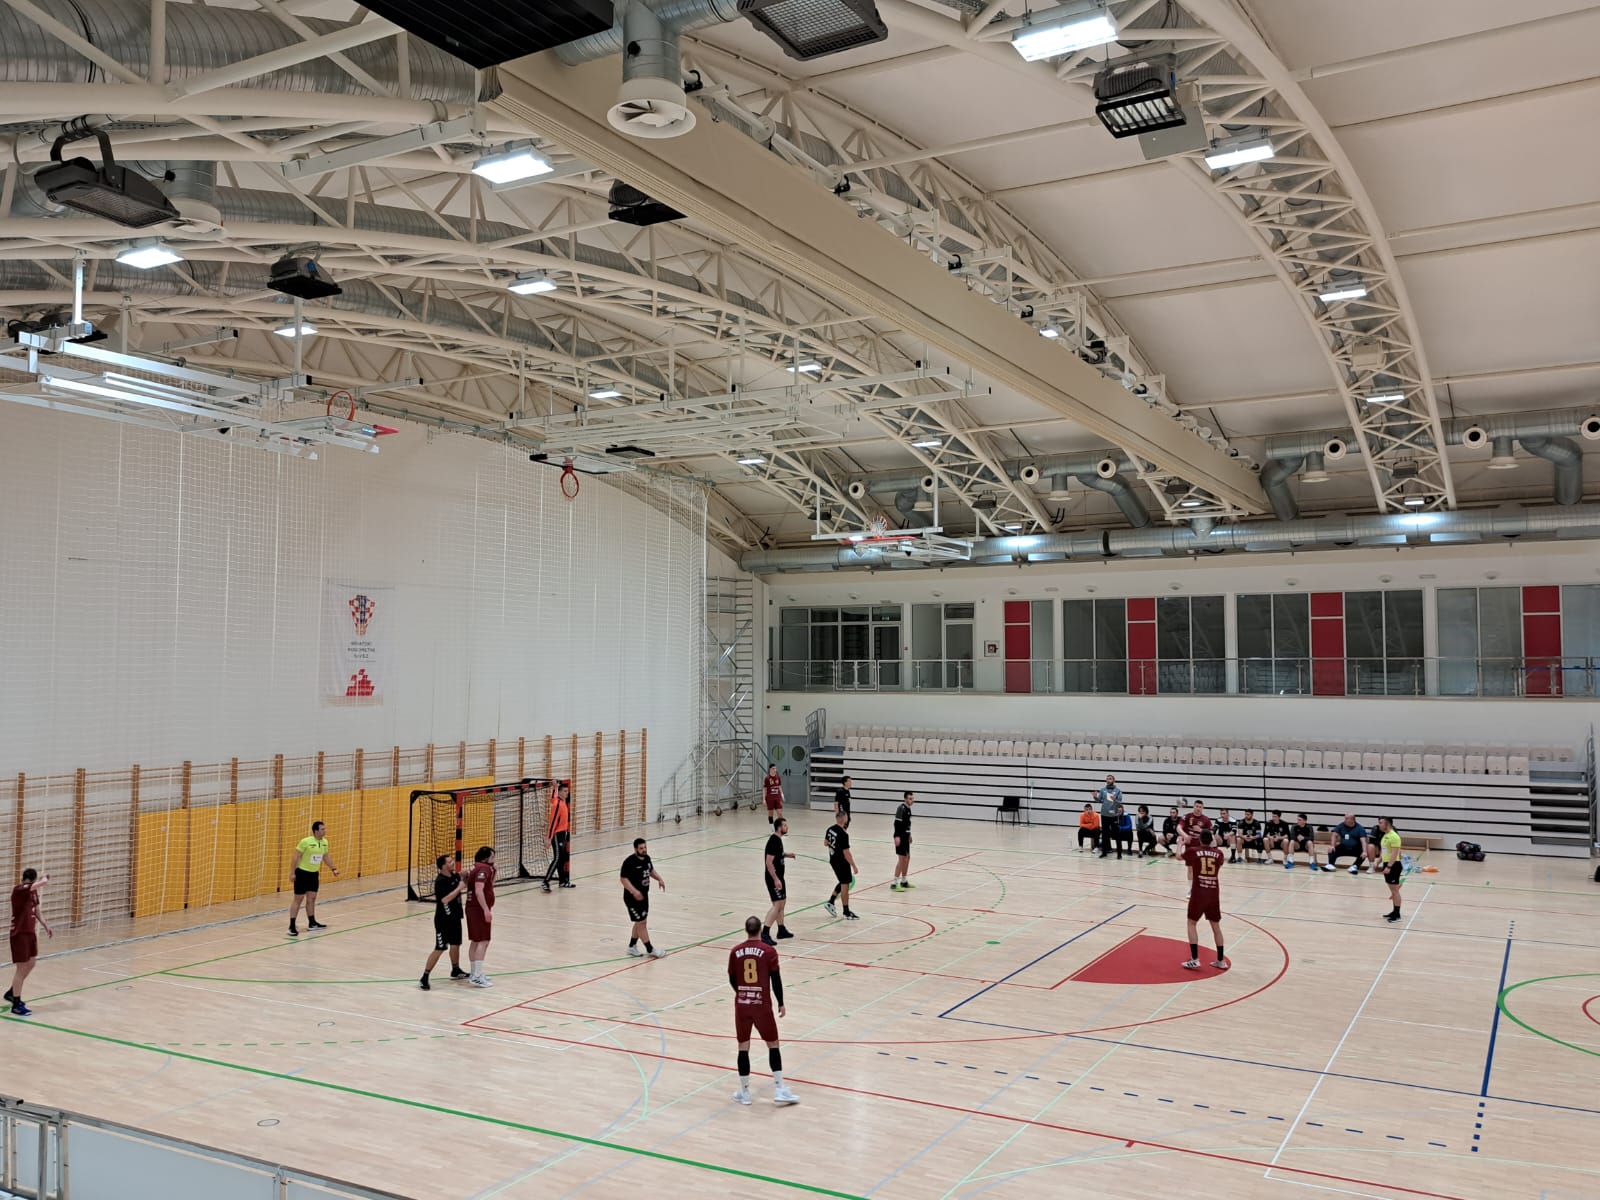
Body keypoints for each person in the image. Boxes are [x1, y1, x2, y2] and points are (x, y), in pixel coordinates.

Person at [728, 915, 800, 1107]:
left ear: (746, 930)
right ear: (760, 929)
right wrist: (781, 1002)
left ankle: (745, 1093)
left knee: (743, 1046)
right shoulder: (768, 951)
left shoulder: (735, 951)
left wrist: (742, 993)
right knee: (773, 1044)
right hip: (761, 1005)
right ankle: (780, 1088)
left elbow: (732, 978)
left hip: (742, 1005)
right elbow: (775, 979)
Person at [6, 868, 53, 1017]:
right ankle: (16, 1005)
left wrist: (46, 925)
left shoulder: (33, 892)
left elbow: (37, 911)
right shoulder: (19, 889)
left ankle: (12, 992)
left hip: (30, 933)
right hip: (19, 934)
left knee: (32, 963)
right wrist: (45, 879)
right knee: (21, 969)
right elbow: (39, 884)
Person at [420, 855, 469, 990]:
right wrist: (459, 888)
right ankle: (424, 977)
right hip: (443, 920)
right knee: (440, 947)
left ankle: (456, 970)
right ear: (443, 866)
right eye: (450, 861)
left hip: (455, 917)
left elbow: (463, 881)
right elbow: (445, 900)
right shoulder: (440, 881)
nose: (453, 863)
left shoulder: (454, 876)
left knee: (456, 944)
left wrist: (465, 875)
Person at [1181, 830, 1228, 970]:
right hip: (1213, 893)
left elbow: (1178, 856)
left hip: (1198, 893)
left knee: (1191, 923)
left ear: (1200, 839)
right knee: (1216, 926)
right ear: (1212, 839)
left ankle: (1195, 959)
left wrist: (1179, 844)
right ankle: (1221, 960)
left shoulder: (1194, 851)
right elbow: (1218, 862)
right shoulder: (1219, 854)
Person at [286, 819, 340, 938]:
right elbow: (296, 857)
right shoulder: (305, 841)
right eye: (322, 829)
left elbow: (325, 856)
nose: (325, 831)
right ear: (316, 831)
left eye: (325, 829)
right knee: (298, 899)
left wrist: (333, 868)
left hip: (314, 875)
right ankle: (291, 926)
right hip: (302, 873)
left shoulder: (325, 842)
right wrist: (292, 873)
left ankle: (312, 923)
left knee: (312, 898)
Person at [621, 837, 668, 958]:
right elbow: (623, 879)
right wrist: (634, 891)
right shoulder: (629, 862)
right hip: (632, 898)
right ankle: (650, 949)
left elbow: (650, 870)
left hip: (643, 896)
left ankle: (632, 947)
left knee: (641, 922)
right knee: (641, 922)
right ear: (635, 849)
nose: (644, 850)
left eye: (645, 847)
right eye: (641, 848)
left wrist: (660, 879)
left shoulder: (647, 858)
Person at [465, 845, 497, 986]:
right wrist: (485, 910)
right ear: (485, 858)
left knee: (476, 941)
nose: (494, 859)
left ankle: (474, 973)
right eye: (492, 857)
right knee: (484, 941)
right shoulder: (483, 869)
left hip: (472, 908)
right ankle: (477, 976)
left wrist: (495, 871)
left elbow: (490, 885)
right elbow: (479, 890)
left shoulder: (477, 867)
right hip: (478, 909)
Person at [762, 818, 796, 944]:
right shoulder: (773, 841)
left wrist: (786, 855)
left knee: (782, 903)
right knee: (777, 905)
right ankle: (764, 933)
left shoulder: (778, 840)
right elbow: (769, 862)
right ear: (779, 827)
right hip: (773, 878)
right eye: (785, 825)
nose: (787, 827)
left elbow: (777, 855)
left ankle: (781, 930)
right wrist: (775, 879)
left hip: (779, 877)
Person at [823, 812, 858, 920]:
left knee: (843, 881)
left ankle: (831, 901)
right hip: (841, 862)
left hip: (833, 860)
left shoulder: (830, 829)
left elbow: (825, 843)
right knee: (845, 885)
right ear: (844, 819)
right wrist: (854, 865)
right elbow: (846, 853)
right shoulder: (843, 834)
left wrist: (834, 847)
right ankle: (846, 911)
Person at [542, 780, 573, 892]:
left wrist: (554, 788)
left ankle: (563, 881)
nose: (567, 793)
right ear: (560, 792)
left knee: (562, 858)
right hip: (557, 835)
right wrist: (549, 838)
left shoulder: (559, 800)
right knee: (557, 858)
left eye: (567, 791)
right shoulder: (558, 805)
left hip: (563, 834)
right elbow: (553, 822)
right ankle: (546, 882)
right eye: (564, 791)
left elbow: (553, 798)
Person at [1376, 816, 1404, 922]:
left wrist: (1389, 866)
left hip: (1394, 865)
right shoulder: (1385, 836)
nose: (1379, 825)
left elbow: (1395, 853)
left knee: (1395, 891)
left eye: (1381, 823)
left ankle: (1397, 915)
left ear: (1387, 824)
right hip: (1387, 864)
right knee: (1393, 890)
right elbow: (1384, 852)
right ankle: (1394, 911)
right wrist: (1378, 862)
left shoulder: (1394, 836)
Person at [890, 791, 915, 891]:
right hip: (900, 836)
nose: (912, 800)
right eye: (910, 798)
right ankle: (895, 883)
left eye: (912, 799)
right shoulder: (901, 808)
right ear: (905, 799)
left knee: (907, 857)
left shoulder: (908, 809)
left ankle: (904, 881)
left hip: (906, 836)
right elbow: (896, 823)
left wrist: (909, 834)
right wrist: (896, 836)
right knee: (901, 859)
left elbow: (907, 824)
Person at [1092, 775, 1122, 858]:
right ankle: (1104, 852)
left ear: (1114, 780)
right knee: (1105, 835)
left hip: (1113, 815)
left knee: (1117, 835)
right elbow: (1099, 800)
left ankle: (1119, 854)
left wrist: (1115, 800)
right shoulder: (1103, 790)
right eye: (1107, 779)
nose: (1108, 780)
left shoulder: (1118, 791)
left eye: (1110, 779)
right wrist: (1095, 797)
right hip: (1104, 815)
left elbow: (1120, 802)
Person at [763, 764, 785, 829]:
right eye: (773, 768)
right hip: (770, 798)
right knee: (770, 813)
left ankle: (781, 828)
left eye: (775, 768)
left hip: (777, 797)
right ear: (770, 769)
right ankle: (772, 829)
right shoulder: (767, 778)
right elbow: (764, 789)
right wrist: (764, 799)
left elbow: (779, 786)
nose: (775, 770)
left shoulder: (778, 777)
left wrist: (782, 794)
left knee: (780, 813)